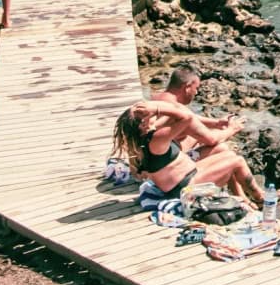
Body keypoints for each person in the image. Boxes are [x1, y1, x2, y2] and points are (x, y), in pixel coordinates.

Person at [110, 96, 264, 205]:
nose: (155, 115)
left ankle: (243, 198)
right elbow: (186, 118)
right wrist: (156, 107)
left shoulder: (140, 140)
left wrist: (215, 123)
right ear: (143, 124)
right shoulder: (157, 138)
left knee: (227, 154)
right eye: (150, 115)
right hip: (185, 187)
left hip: (184, 178)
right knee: (237, 161)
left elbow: (177, 113)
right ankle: (261, 199)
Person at [152, 66, 245, 161]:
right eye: (196, 88)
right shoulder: (180, 109)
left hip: (154, 153)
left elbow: (189, 119)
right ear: (187, 87)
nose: (196, 92)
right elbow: (212, 139)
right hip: (168, 164)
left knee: (200, 134)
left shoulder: (155, 98)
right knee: (221, 148)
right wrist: (232, 129)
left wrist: (216, 123)